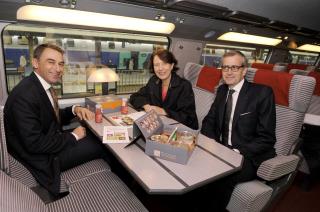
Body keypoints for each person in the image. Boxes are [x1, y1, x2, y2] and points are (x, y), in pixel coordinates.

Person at [4, 43, 108, 196]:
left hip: (50, 145)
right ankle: (111, 189)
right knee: (101, 144)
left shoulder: (41, 86)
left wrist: (75, 109)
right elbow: (35, 144)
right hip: (45, 160)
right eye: (51, 62)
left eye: (61, 64)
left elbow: (52, 118)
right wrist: (73, 136)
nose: (58, 69)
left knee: (94, 137)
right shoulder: (24, 95)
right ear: (35, 62)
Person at [200, 50, 277, 210]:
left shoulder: (262, 93)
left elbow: (267, 138)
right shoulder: (222, 91)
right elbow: (208, 122)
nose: (228, 72)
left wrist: (234, 152)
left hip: (248, 155)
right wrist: (213, 145)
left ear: (244, 70)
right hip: (222, 149)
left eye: (234, 67)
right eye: (225, 67)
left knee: (220, 177)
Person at [129, 49, 198, 130]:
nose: (160, 68)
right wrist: (146, 106)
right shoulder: (154, 81)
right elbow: (135, 96)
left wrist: (163, 111)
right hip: (159, 126)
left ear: (172, 65)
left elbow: (189, 118)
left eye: (164, 64)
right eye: (156, 65)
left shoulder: (183, 86)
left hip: (180, 130)